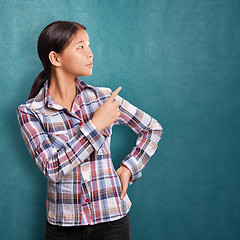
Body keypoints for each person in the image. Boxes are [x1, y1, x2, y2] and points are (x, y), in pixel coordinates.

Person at [16, 20, 163, 240]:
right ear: (55, 58)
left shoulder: (104, 98)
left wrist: (129, 168)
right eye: (80, 47)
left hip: (113, 222)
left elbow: (152, 128)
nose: (90, 53)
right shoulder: (30, 112)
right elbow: (52, 168)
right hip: (63, 228)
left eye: (89, 45)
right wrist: (95, 126)